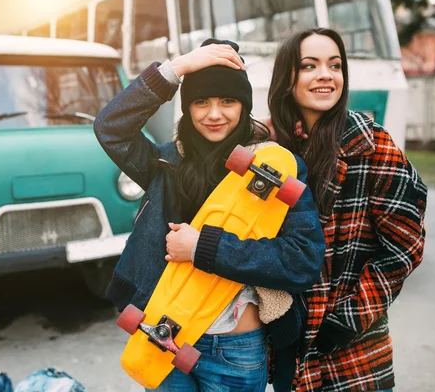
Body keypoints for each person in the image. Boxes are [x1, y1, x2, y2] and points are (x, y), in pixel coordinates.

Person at [94, 38, 326, 391]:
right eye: (201, 101)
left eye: (227, 101)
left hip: (235, 348)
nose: (214, 114)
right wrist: (176, 69)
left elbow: (303, 260)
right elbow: (110, 126)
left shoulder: (273, 166)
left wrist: (203, 247)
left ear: (244, 105)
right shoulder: (165, 163)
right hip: (162, 337)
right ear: (187, 108)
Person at [265, 28, 428, 392]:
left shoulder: (371, 144)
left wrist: (346, 320)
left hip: (353, 353)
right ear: (286, 78)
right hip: (287, 347)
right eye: (310, 66)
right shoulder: (272, 149)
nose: (326, 74)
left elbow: (405, 246)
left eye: (335, 65)